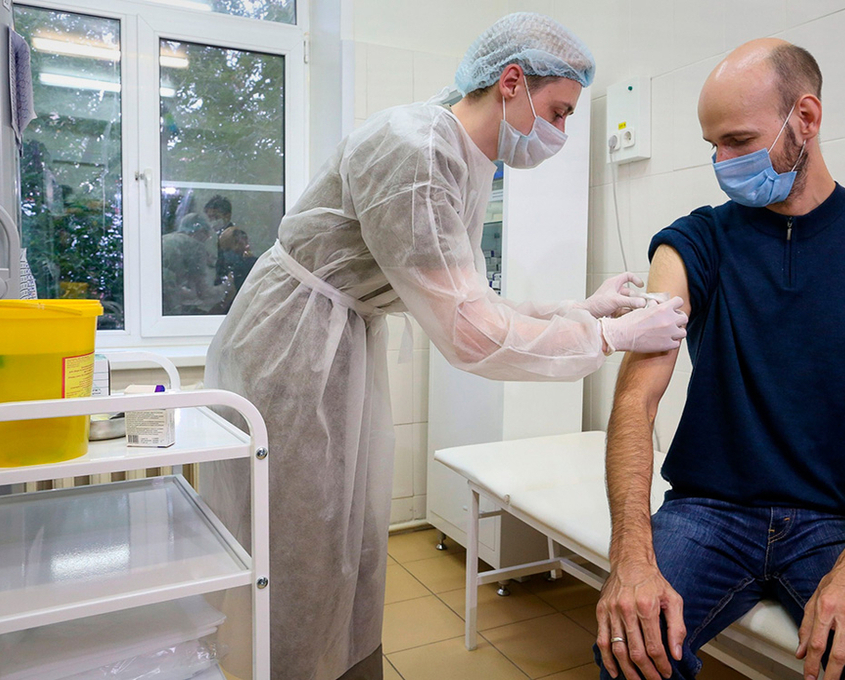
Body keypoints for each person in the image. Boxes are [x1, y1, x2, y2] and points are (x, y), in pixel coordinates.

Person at [203, 13, 689, 680]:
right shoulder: (416, 148)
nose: (562, 132)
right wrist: (608, 336)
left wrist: (581, 309)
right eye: (558, 111)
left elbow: (465, 299)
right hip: (292, 352)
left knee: (349, 537)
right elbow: (468, 333)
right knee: (300, 548)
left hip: (337, 340)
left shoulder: (462, 158)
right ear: (511, 82)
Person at [594, 38, 845, 680]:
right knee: (628, 652)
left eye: (738, 140)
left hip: (839, 523)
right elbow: (635, 400)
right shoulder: (695, 242)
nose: (722, 162)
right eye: (713, 145)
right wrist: (629, 554)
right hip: (708, 512)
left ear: (807, 119)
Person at [161, 213, 233, 315]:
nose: (206, 239)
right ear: (200, 231)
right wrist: (227, 285)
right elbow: (203, 293)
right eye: (206, 234)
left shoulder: (165, 238)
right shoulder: (196, 247)